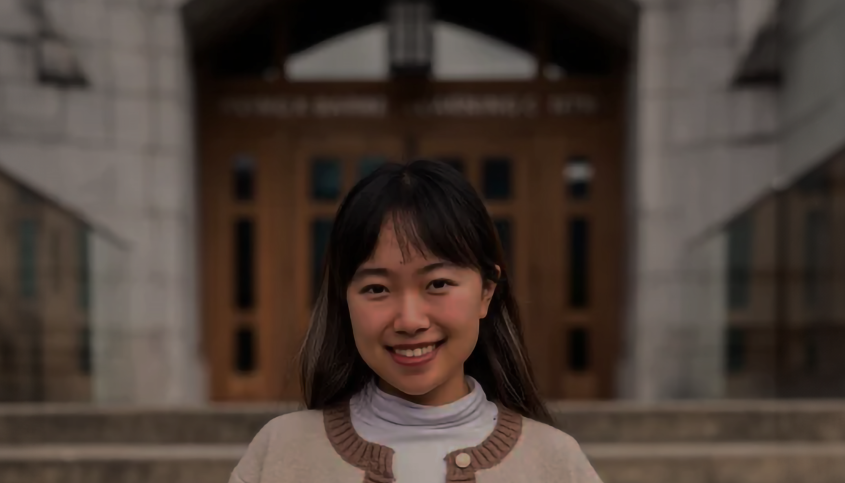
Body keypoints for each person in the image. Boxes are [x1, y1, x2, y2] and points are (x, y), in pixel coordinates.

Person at [229, 159, 602, 483]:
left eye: (438, 284)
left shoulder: (555, 461)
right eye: (377, 288)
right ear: (345, 299)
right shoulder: (281, 451)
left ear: (486, 292)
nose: (409, 320)